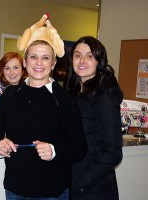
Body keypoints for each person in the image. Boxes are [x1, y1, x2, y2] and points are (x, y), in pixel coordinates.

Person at [0, 14, 87, 200]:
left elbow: (79, 147)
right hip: (15, 188)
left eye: (45, 58)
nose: (39, 63)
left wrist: (54, 151)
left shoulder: (64, 99)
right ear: (25, 62)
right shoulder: (11, 95)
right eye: (33, 57)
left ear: (54, 63)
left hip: (52, 191)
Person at [64, 36, 123, 200]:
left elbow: (112, 152)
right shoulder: (75, 92)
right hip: (75, 185)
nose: (82, 60)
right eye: (77, 55)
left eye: (90, 56)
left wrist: (82, 182)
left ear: (99, 61)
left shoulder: (104, 97)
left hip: (94, 190)